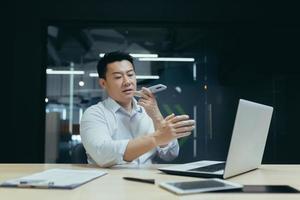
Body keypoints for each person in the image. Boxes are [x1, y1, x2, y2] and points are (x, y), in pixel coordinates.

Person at [80, 51, 195, 167]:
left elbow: (170, 155)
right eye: (118, 77)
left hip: (148, 180)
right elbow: (102, 154)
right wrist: (156, 138)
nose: (127, 82)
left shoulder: (148, 111)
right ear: (103, 83)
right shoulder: (94, 114)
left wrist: (157, 117)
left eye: (130, 75)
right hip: (111, 182)